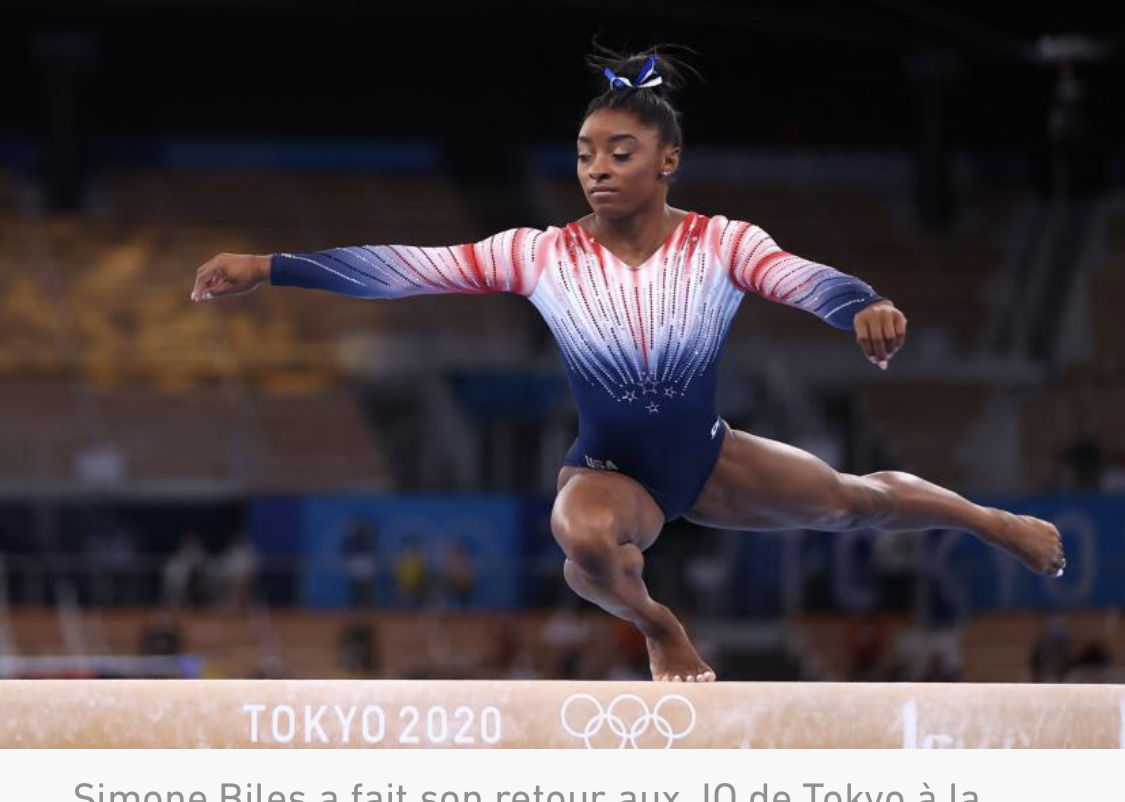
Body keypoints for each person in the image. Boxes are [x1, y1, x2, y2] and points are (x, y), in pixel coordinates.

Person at [189, 43, 1067, 683]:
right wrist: (271, 266)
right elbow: (406, 268)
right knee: (582, 545)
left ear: (666, 160)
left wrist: (860, 302)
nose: (596, 170)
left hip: (708, 457)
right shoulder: (539, 254)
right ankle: (658, 626)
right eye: (583, 155)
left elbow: (798, 279)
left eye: (619, 153)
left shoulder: (722, 243)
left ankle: (989, 521)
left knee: (854, 503)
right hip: (611, 471)